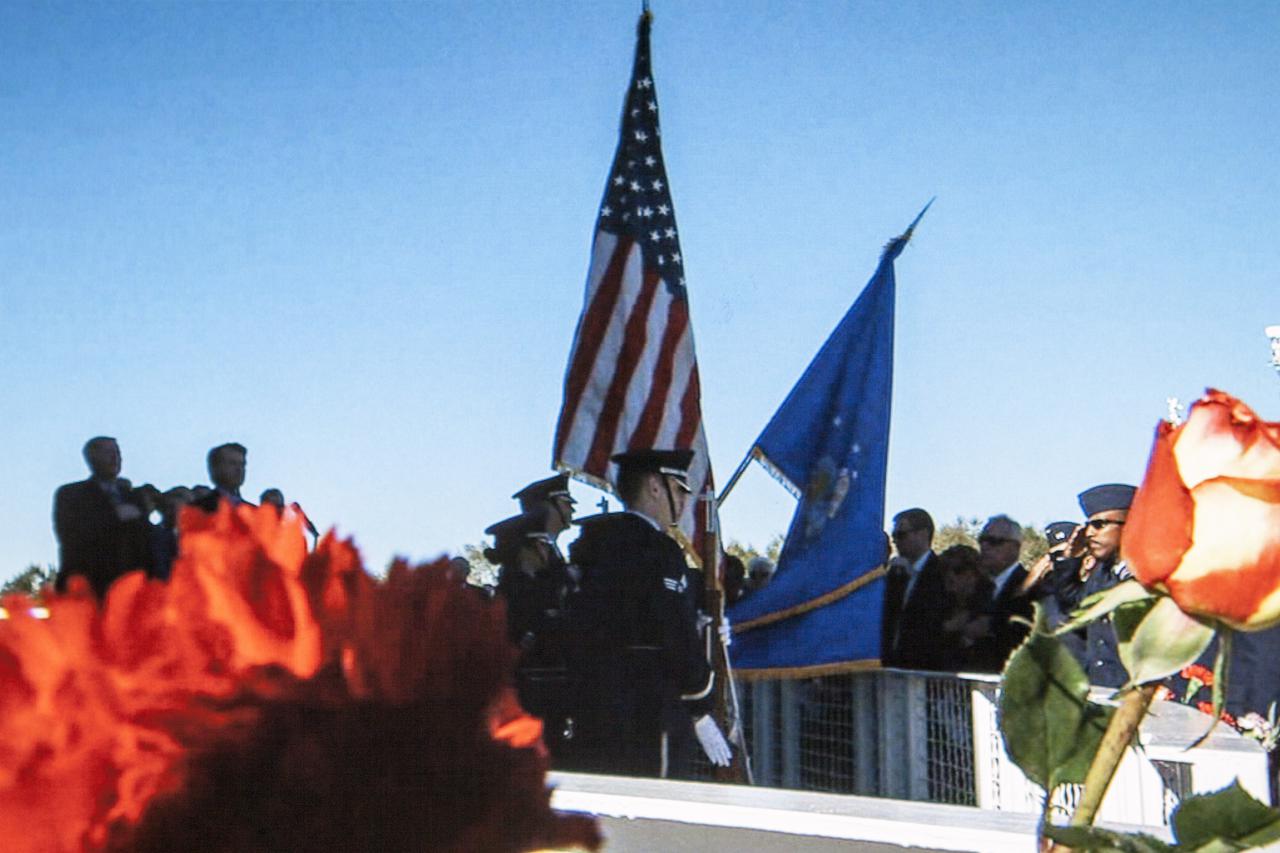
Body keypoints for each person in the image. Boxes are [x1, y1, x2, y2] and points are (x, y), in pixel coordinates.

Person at [560, 448, 731, 778]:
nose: (683, 501)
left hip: (597, 705)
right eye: (679, 489)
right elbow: (671, 631)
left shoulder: (599, 544)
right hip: (650, 710)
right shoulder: (657, 550)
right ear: (655, 486)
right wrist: (700, 705)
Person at [52, 437, 149, 598]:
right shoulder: (71, 494)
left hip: (130, 589)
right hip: (87, 587)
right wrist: (114, 516)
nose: (116, 458)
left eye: (118, 453)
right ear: (92, 458)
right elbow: (70, 535)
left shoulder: (134, 497)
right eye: (108, 452)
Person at [1063, 484, 1137, 687]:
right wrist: (1070, 561)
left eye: (1099, 524)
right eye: (1088, 525)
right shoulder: (1102, 573)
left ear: (1130, 523)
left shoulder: (1149, 578)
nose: (1089, 533)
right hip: (1101, 689)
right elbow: (1074, 612)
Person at [881, 507, 949, 670]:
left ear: (923, 534)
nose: (896, 541)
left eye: (901, 535)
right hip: (892, 666)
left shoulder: (944, 573)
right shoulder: (895, 576)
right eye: (894, 536)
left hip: (928, 668)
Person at [969, 515, 1032, 673]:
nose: (985, 546)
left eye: (994, 541)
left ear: (1015, 547)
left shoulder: (1030, 586)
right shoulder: (980, 588)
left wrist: (991, 626)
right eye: (982, 540)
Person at [935, 544, 994, 671]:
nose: (950, 576)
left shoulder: (990, 605)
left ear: (974, 574)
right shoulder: (941, 605)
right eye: (945, 570)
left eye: (958, 570)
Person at [195, 443, 251, 512]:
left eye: (242, 464)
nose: (239, 469)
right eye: (232, 463)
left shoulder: (254, 513)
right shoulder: (199, 509)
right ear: (216, 468)